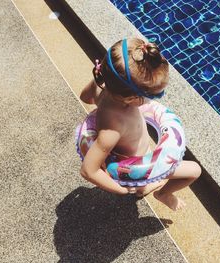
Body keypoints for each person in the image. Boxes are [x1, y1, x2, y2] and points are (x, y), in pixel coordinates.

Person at [79, 38, 201, 211]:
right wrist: (120, 189)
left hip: (134, 154)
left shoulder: (102, 87)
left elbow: (85, 97)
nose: (155, 99)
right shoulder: (113, 127)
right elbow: (88, 170)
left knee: (148, 169)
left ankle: (142, 187)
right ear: (131, 98)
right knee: (194, 170)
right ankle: (162, 194)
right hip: (134, 167)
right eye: (155, 95)